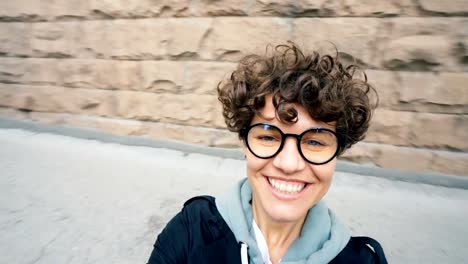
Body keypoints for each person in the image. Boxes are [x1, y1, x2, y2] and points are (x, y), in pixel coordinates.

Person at [147, 42, 387, 264]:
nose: (289, 164)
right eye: (268, 136)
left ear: (337, 153)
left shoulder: (363, 260)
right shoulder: (191, 230)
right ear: (244, 141)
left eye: (314, 142)